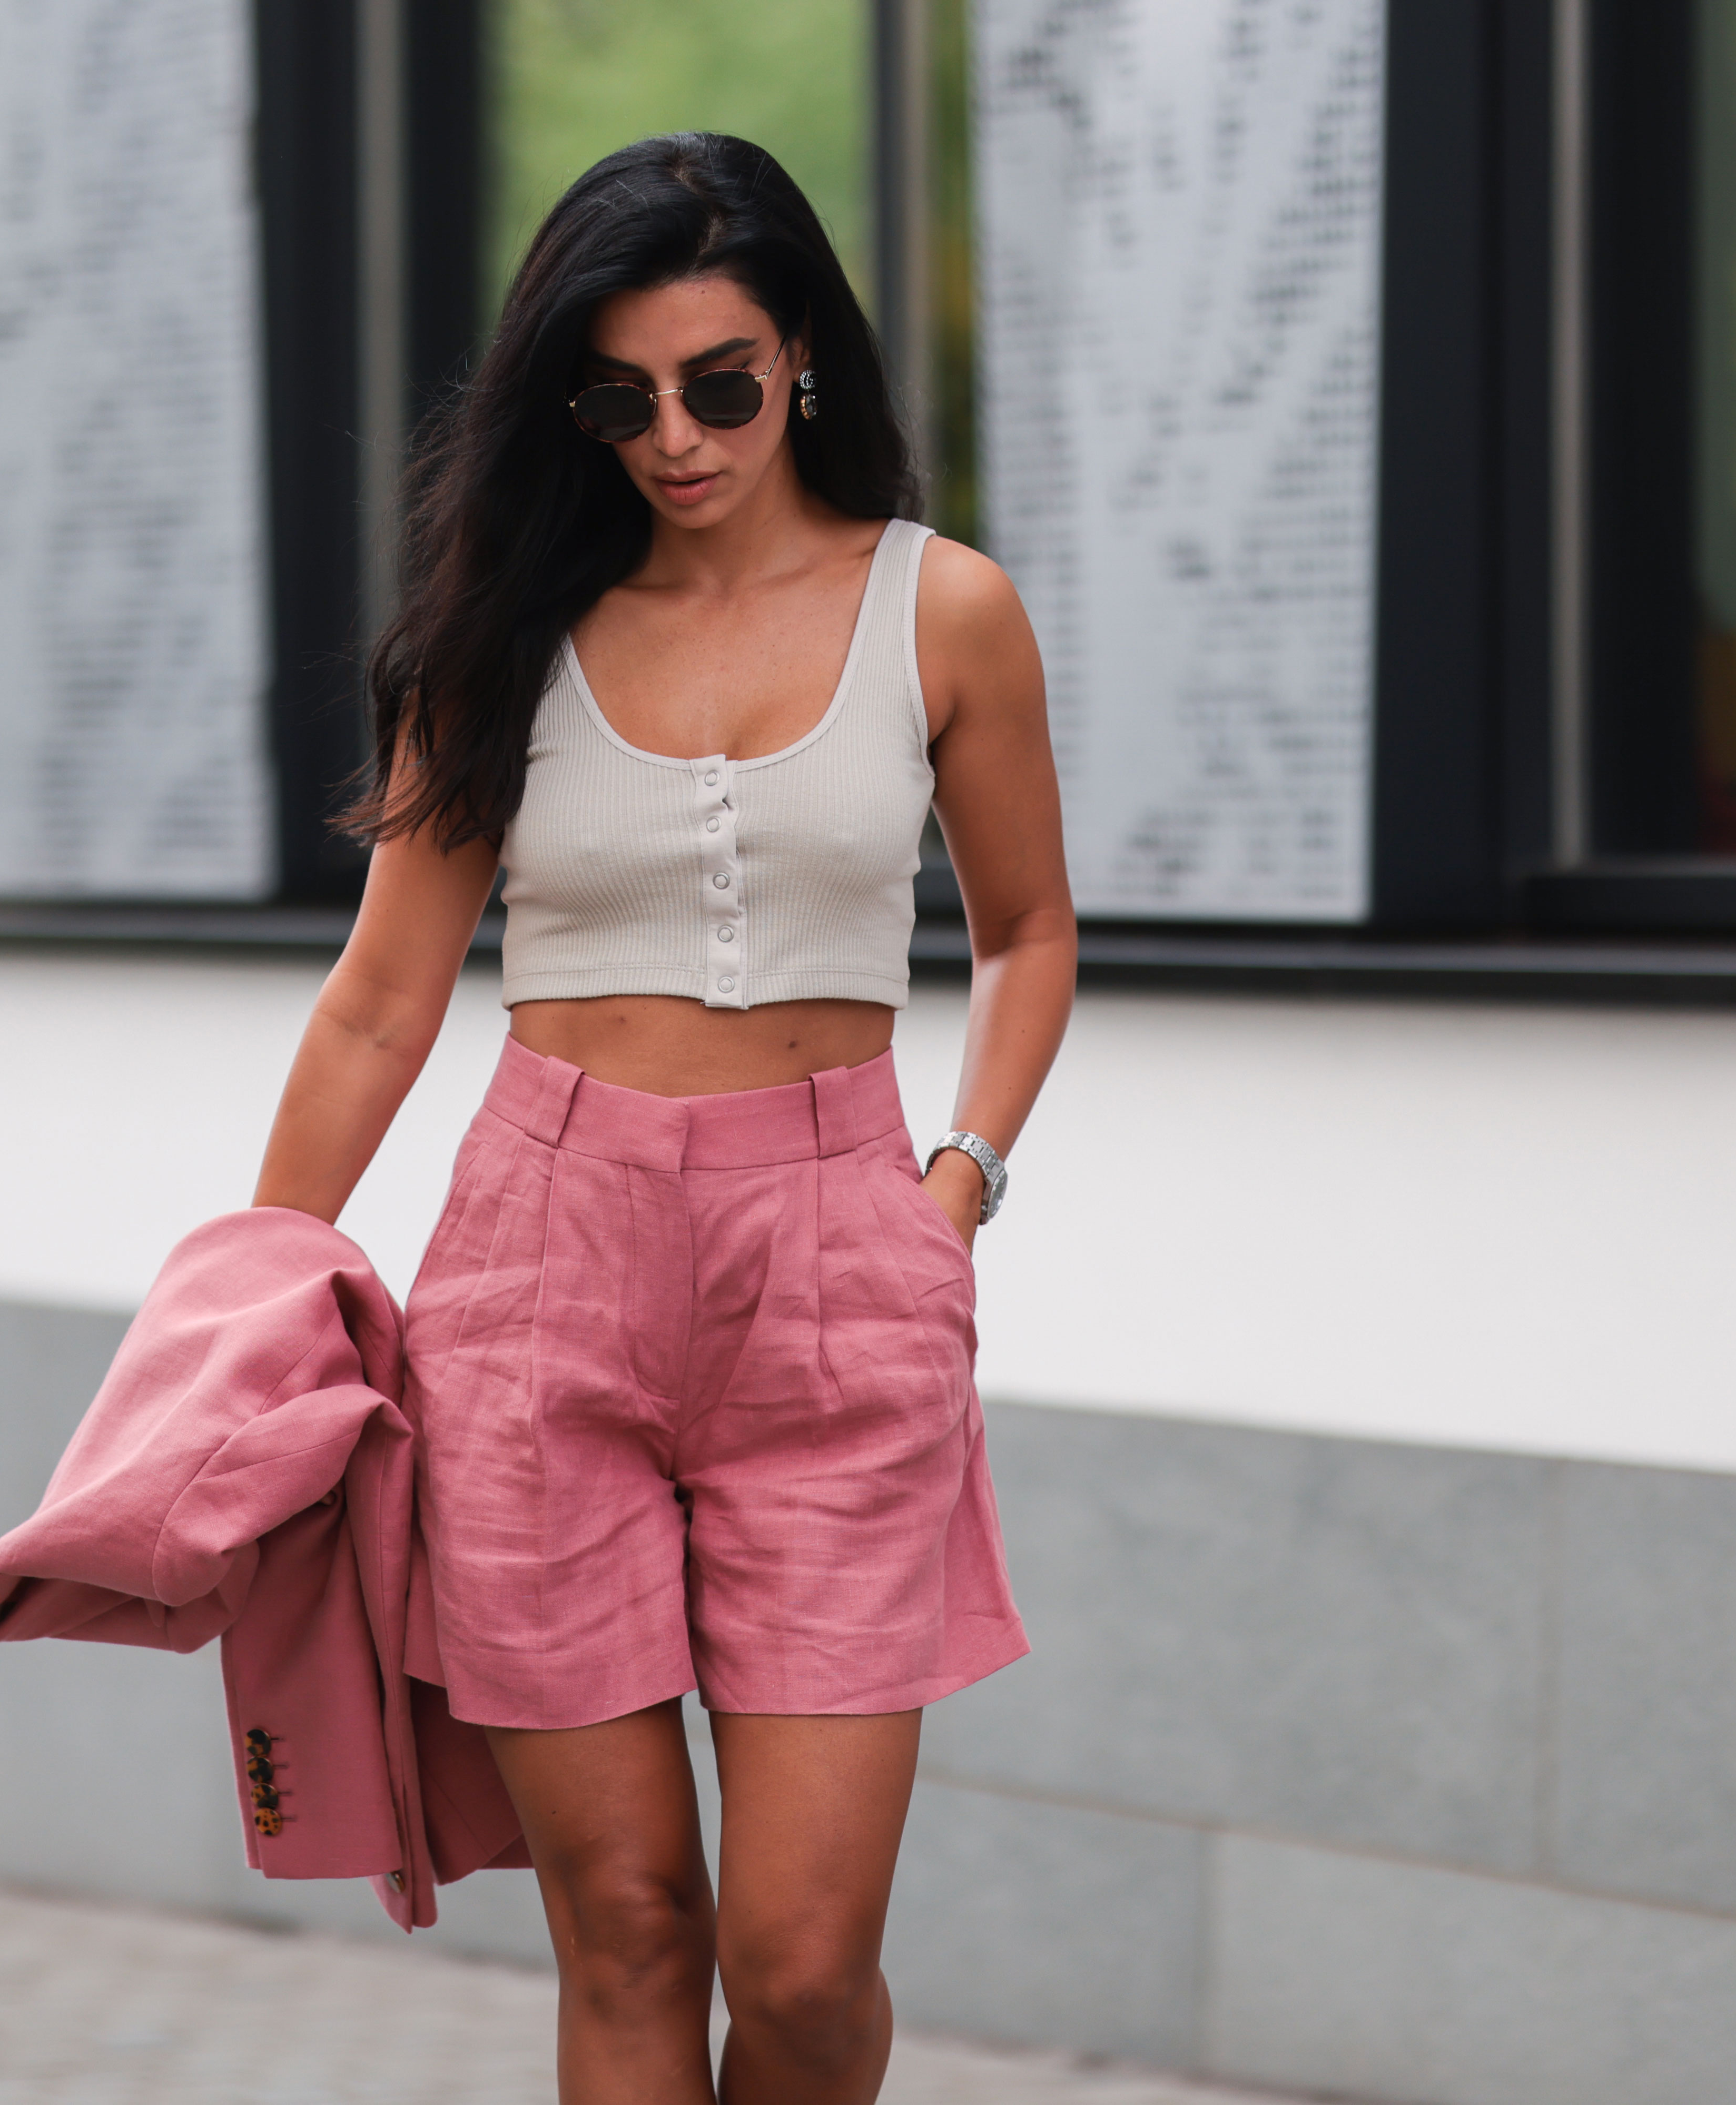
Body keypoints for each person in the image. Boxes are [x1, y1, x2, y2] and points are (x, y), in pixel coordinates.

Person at [251, 132, 1074, 2105]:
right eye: (617, 399)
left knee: (797, 1969)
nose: (674, 437)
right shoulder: (503, 640)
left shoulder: (940, 612)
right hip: (539, 1275)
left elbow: (1030, 929)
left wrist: (953, 1182)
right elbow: (381, 1001)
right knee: (626, 1928)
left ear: (800, 358)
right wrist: (256, 1278)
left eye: (716, 384)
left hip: (839, 1265)